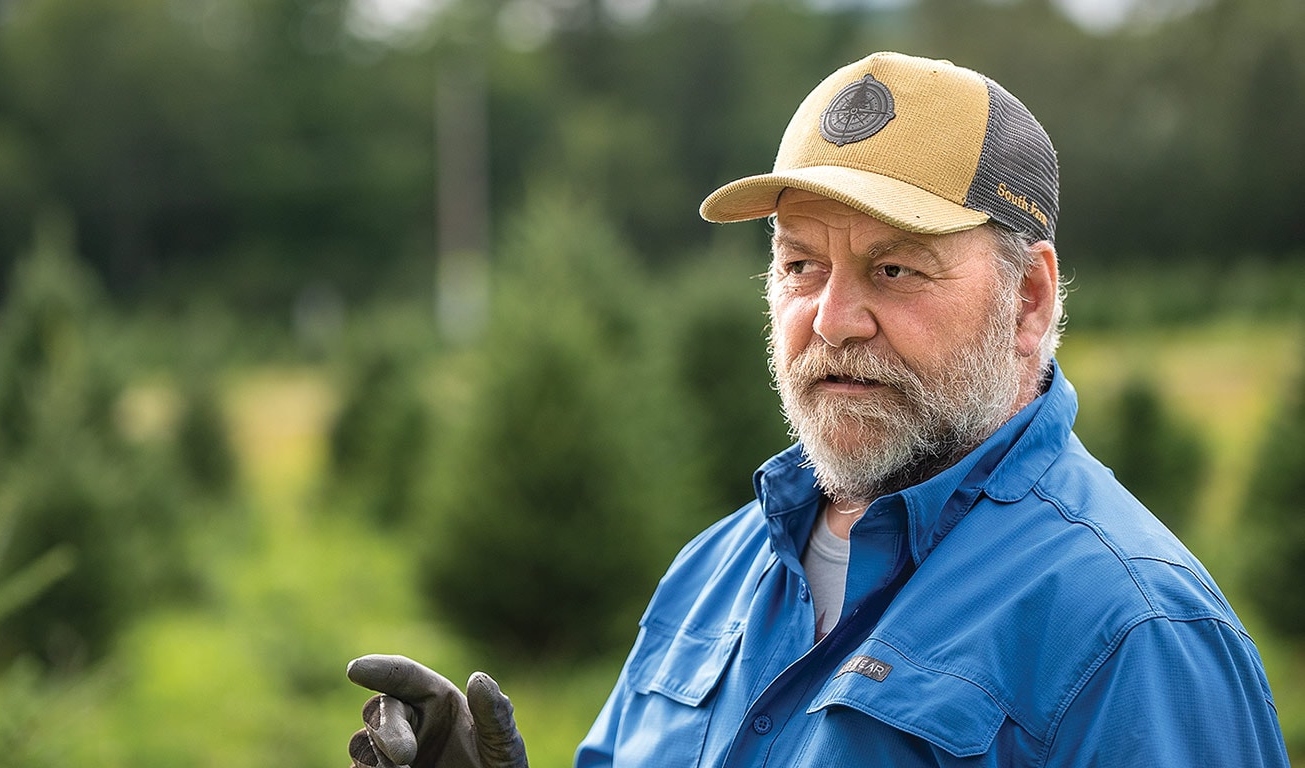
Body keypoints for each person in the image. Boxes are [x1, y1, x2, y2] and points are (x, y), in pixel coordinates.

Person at [345, 51, 1291, 767]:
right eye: (800, 264)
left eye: (894, 268)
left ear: (1030, 302)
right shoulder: (711, 576)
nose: (833, 319)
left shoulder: (1133, 637)